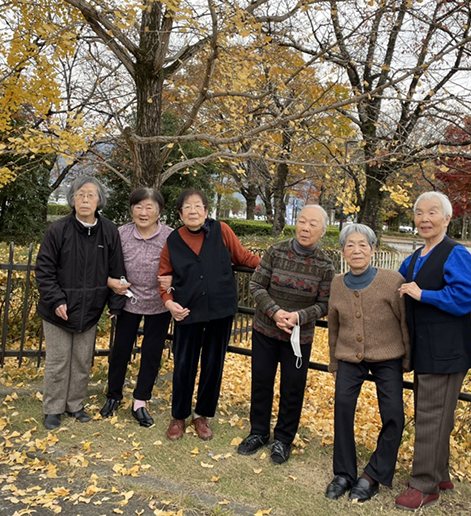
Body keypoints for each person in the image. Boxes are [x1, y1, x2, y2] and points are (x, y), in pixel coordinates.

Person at [394, 191, 471, 511]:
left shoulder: (455, 253)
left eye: (433, 213)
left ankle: (425, 485)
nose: (424, 218)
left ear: (447, 218)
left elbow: (466, 297)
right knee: (434, 412)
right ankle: (439, 473)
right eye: (419, 213)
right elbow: (395, 283)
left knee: (431, 415)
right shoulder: (416, 256)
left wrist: (423, 294)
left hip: (446, 349)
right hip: (426, 346)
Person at [158, 189, 260, 441]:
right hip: (187, 311)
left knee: (213, 364)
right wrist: (169, 303)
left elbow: (243, 257)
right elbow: (164, 280)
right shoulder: (173, 240)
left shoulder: (222, 230)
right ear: (180, 213)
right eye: (187, 208)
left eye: (198, 206)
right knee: (184, 365)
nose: (193, 211)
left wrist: (275, 266)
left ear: (206, 210)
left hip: (220, 310)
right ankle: (178, 416)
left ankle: (202, 415)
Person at [238, 204, 334, 465]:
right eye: (302, 221)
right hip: (265, 330)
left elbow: (325, 304)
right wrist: (275, 312)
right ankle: (258, 432)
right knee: (261, 383)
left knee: (293, 388)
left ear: (323, 231)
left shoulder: (325, 265)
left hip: (298, 338)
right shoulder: (276, 251)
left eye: (313, 224)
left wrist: (298, 317)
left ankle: (283, 439)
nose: (305, 227)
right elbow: (257, 284)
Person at [324, 223, 409, 502]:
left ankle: (373, 474)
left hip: (388, 357)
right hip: (349, 356)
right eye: (351, 245)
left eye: (363, 244)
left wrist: (407, 358)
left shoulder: (392, 280)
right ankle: (344, 473)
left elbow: (405, 322)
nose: (357, 250)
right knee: (343, 407)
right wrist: (334, 363)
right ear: (343, 251)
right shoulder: (337, 283)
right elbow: (333, 326)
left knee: (394, 413)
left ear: (373, 249)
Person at [35, 175, 126, 430]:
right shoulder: (58, 229)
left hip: (91, 310)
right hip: (58, 311)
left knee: (82, 360)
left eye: (91, 195)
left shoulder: (109, 231)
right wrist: (55, 300)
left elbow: (117, 270)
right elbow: (44, 270)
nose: (85, 199)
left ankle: (75, 405)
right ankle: (53, 408)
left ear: (99, 202)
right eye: (80, 195)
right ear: (72, 199)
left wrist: (115, 305)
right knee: (59, 360)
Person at [102, 188, 173, 427]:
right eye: (138, 207)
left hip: (159, 304)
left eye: (149, 207)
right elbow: (106, 265)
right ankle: (113, 396)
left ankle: (140, 400)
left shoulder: (170, 236)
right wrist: (111, 284)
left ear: (159, 211)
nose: (143, 212)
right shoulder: (121, 233)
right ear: (131, 209)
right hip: (128, 301)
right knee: (120, 350)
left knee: (151, 354)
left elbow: (181, 267)